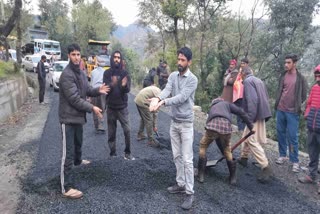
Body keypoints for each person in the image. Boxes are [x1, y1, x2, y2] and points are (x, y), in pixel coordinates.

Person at [59, 43, 110, 199]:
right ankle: (65, 187)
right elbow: (74, 99)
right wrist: (92, 108)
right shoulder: (67, 75)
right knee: (67, 153)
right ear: (69, 55)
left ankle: (78, 161)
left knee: (79, 143)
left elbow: (86, 90)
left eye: (78, 54)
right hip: (68, 118)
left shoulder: (81, 73)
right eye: (73, 54)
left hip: (78, 117)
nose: (76, 57)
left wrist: (97, 90)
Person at [149, 47, 198, 210]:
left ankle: (190, 193)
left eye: (183, 60)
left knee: (187, 159)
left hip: (186, 124)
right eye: (178, 59)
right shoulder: (172, 76)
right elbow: (167, 90)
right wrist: (157, 98)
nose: (179, 63)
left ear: (189, 62)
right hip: (174, 122)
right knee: (176, 156)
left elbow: (182, 97)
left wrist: (163, 103)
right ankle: (181, 184)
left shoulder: (192, 79)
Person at [197, 97, 253, 185]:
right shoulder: (227, 104)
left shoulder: (212, 107)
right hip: (226, 128)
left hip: (212, 126)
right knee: (227, 149)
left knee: (203, 146)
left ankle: (200, 174)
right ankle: (232, 178)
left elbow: (208, 123)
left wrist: (210, 134)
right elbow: (241, 112)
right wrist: (251, 127)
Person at [237, 67, 273, 183]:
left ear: (243, 74)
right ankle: (244, 157)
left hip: (255, 115)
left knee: (251, 139)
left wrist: (250, 119)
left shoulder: (247, 82)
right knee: (245, 135)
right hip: (261, 113)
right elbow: (265, 97)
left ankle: (265, 166)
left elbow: (252, 100)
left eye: (240, 73)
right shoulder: (258, 80)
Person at [274, 54, 308, 172]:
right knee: (280, 133)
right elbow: (279, 90)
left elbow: (304, 95)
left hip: (293, 112)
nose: (286, 65)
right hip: (281, 109)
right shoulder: (283, 75)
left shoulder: (300, 78)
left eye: (288, 63)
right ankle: (282, 155)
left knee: (293, 137)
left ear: (294, 63)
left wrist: (297, 105)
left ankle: (294, 160)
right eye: (285, 63)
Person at [103, 50, 134, 160]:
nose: (116, 59)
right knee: (111, 133)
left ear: (121, 60)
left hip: (122, 108)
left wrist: (124, 85)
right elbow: (106, 89)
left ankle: (128, 153)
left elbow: (127, 90)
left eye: (118, 57)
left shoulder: (124, 73)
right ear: (112, 59)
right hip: (111, 107)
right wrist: (113, 83)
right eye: (115, 57)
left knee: (127, 130)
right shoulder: (107, 73)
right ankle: (112, 153)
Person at [298, 65, 320, 194]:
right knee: (312, 153)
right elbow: (309, 103)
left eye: (319, 75)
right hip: (312, 127)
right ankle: (311, 176)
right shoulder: (315, 88)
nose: (317, 77)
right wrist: (307, 113)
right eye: (316, 75)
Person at [90, 56, 107, 134]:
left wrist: (89, 95)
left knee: (94, 108)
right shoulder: (105, 72)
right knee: (102, 108)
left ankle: (96, 126)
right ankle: (101, 124)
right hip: (102, 91)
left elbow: (91, 83)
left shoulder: (93, 72)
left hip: (94, 91)